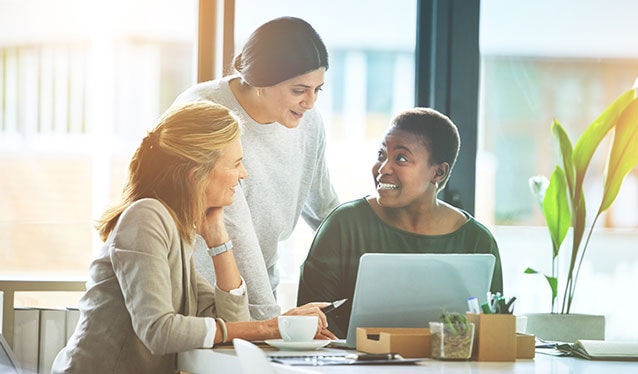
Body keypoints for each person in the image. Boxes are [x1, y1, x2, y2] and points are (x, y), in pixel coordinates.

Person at [52, 101, 335, 374]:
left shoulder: (176, 227)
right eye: (236, 163)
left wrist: (218, 240)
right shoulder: (147, 217)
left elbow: (230, 325)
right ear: (196, 173)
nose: (243, 174)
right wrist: (272, 327)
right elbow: (159, 331)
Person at [173, 16, 339, 320]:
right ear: (261, 79)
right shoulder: (207, 111)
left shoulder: (308, 123)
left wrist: (371, 259)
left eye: (318, 90)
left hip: (259, 289)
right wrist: (268, 322)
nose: (310, 102)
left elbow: (324, 207)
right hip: (195, 294)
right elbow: (234, 228)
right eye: (299, 90)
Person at [296, 107, 504, 338]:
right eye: (381, 155)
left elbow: (491, 331)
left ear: (438, 173)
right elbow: (310, 323)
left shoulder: (478, 241)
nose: (383, 169)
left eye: (401, 158)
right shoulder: (343, 226)